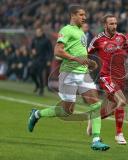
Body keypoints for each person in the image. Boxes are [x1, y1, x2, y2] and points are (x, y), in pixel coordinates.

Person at [27, 5, 110, 151]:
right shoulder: (66, 30)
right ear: (73, 15)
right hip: (68, 75)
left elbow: (79, 53)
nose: (84, 17)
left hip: (83, 73)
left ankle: (96, 140)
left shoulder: (81, 32)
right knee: (66, 111)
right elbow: (58, 51)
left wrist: (88, 62)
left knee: (96, 104)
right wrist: (76, 59)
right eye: (81, 14)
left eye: (85, 15)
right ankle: (37, 114)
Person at [87, 14, 128, 145]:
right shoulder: (98, 40)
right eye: (111, 24)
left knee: (113, 108)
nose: (114, 26)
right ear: (105, 25)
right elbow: (86, 53)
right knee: (122, 100)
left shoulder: (121, 37)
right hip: (106, 76)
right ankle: (119, 134)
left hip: (120, 77)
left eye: (115, 23)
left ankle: (94, 117)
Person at [30, 27, 53, 96]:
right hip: (35, 59)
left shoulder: (46, 40)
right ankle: (37, 84)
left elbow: (50, 51)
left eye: (39, 32)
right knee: (31, 72)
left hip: (43, 59)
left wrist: (49, 60)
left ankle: (41, 90)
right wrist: (32, 50)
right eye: (36, 32)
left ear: (42, 32)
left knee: (40, 74)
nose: (37, 33)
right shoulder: (35, 39)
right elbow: (31, 46)